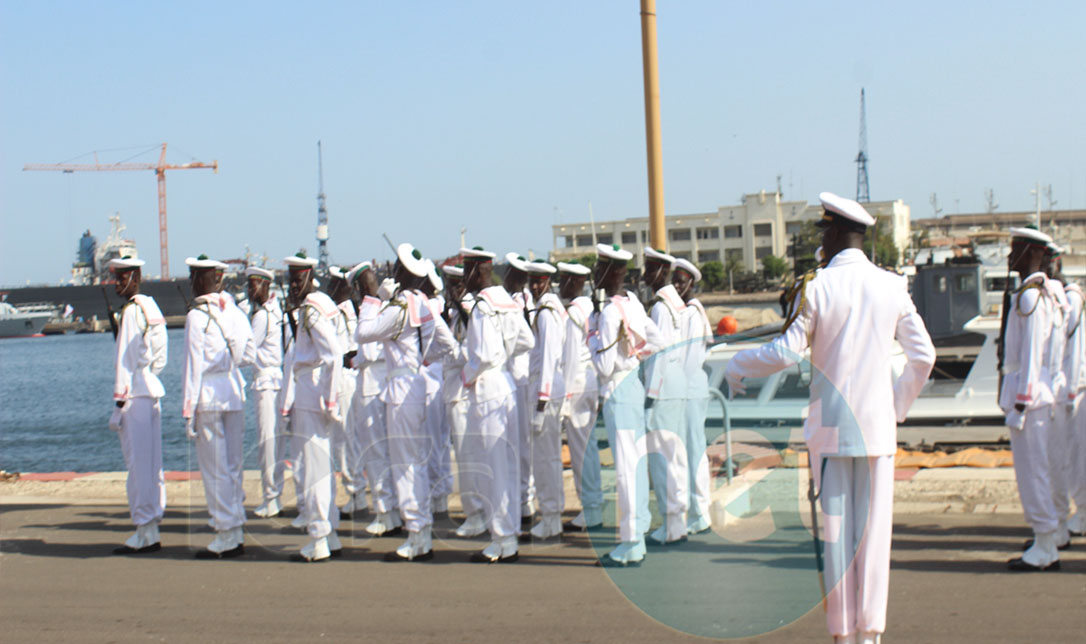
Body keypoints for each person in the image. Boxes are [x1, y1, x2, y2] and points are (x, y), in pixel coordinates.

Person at [724, 193, 935, 644]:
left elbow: (784, 353)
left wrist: (737, 364)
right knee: (875, 537)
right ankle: (871, 634)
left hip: (832, 429)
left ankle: (842, 634)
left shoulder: (817, 286)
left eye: (824, 233)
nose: (823, 242)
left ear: (835, 234)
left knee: (838, 537)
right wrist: (895, 407)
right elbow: (924, 357)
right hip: (877, 430)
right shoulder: (892, 285)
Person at [355, 243, 456, 561]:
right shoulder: (423, 304)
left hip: (401, 390)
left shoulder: (398, 308)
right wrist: (425, 359)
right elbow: (448, 344)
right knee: (417, 462)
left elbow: (363, 333)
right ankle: (420, 531)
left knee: (406, 465)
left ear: (400, 272)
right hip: (418, 385)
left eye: (394, 268)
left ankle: (417, 536)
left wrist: (374, 300)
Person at [588, 243, 660, 567]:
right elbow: (658, 341)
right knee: (636, 464)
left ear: (612, 272)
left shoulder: (607, 312)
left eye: (600, 267)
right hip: (634, 383)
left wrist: (593, 336)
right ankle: (638, 532)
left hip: (617, 386)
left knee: (626, 468)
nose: (594, 273)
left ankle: (631, 542)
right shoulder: (632, 302)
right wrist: (635, 351)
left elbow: (602, 367)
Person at [461, 246, 535, 562]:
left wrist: (468, 373)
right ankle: (508, 536)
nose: (463, 278)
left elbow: (483, 355)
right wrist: (505, 351)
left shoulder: (481, 306)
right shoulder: (506, 300)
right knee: (507, 463)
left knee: (494, 466)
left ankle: (501, 539)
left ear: (478, 271)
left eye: (466, 271)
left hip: (489, 383)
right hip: (506, 381)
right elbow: (527, 341)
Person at [999, 228, 1064, 571]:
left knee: (1033, 472)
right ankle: (1045, 540)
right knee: (1037, 470)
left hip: (1030, 398)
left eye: (1015, 250)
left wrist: (1021, 403)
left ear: (1030, 254)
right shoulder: (1040, 294)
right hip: (1037, 395)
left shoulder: (1031, 297)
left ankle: (1044, 545)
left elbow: (1032, 356)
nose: (1010, 256)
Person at [182, 255, 254, 559]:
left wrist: (188, 411)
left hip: (209, 393)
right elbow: (250, 353)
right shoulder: (234, 311)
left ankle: (225, 531)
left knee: (214, 468)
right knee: (234, 465)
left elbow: (192, 368)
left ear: (199, 280)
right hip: (233, 390)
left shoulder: (197, 316)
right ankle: (235, 525)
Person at [281, 253, 343, 562]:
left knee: (314, 468)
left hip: (311, 389)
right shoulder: (323, 304)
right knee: (322, 465)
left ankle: (319, 537)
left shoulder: (311, 310)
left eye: (297, 278)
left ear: (309, 276)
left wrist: (330, 399)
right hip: (314, 387)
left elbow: (333, 353)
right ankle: (329, 532)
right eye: (290, 278)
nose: (293, 284)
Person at [107, 256, 168, 555]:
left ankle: (144, 529)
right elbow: (160, 355)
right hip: (150, 388)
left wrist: (118, 404)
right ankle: (151, 524)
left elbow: (124, 364)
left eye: (122, 278)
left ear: (135, 277)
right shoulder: (150, 306)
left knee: (137, 465)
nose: (117, 284)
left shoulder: (132, 311)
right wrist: (150, 372)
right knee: (152, 464)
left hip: (133, 394)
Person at [346, 261, 401, 537]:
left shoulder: (370, 309)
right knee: (387, 451)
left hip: (371, 382)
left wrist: (353, 360)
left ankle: (385, 512)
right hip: (384, 379)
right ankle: (392, 508)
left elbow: (367, 352)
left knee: (376, 453)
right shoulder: (387, 305)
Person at [641, 247, 690, 546]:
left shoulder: (660, 306)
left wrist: (651, 394)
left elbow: (659, 353)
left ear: (660, 271)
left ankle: (670, 524)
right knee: (676, 455)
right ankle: (678, 521)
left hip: (663, 384)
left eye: (648, 269)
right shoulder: (678, 303)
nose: (645, 275)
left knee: (662, 457)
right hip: (678, 381)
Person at [557, 261, 603, 532]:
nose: (561, 285)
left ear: (575, 282)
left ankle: (590, 509)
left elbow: (571, 358)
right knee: (590, 448)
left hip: (577, 383)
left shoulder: (574, 311)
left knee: (581, 451)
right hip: (590, 380)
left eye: (565, 279)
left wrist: (565, 399)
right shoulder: (588, 307)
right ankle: (593, 506)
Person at [441, 264, 487, 538]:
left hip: (464, 390)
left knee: (469, 456)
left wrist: (448, 346)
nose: (450, 291)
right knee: (466, 453)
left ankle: (475, 513)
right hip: (456, 388)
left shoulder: (470, 313)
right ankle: (475, 511)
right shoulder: (458, 313)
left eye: (454, 286)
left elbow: (472, 354)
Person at [523, 259, 566, 540]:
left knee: (545, 457)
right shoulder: (545, 308)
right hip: (545, 385)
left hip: (545, 388)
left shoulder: (548, 313)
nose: (535, 285)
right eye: (532, 281)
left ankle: (551, 516)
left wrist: (541, 403)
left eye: (540, 281)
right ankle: (552, 516)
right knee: (547, 456)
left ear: (548, 282)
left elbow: (549, 359)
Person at [672, 257, 713, 536]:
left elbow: (689, 357)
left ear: (691, 284)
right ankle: (695, 509)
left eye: (681, 280)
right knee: (688, 450)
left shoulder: (692, 314)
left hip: (689, 387)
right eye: (674, 279)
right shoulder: (684, 311)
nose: (677, 284)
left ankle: (700, 512)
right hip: (686, 387)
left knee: (695, 450)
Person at [246, 266, 287, 519]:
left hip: (265, 382)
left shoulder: (261, 317)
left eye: (253, 286)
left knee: (267, 443)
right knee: (276, 443)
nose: (250, 291)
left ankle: (271, 497)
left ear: (264, 287)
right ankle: (275, 494)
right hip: (276, 380)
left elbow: (248, 350)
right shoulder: (274, 312)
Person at [327, 265, 367, 518]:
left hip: (344, 375)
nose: (328, 288)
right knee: (349, 437)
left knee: (345, 438)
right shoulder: (352, 310)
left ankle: (355, 492)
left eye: (332, 283)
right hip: (350, 375)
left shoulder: (339, 312)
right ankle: (356, 490)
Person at [504, 252, 537, 524]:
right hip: (516, 376)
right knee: (517, 442)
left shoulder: (519, 302)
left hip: (520, 375)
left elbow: (526, 340)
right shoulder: (522, 301)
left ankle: (525, 500)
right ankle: (523, 497)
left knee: (522, 443)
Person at [419, 260, 453, 515]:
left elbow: (448, 344)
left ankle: (436, 494)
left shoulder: (428, 307)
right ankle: (441, 493)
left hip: (432, 376)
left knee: (432, 441)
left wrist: (428, 357)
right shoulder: (440, 305)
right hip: (442, 376)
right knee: (441, 441)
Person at [1061, 264, 1086, 535]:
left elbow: (1076, 350)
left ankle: (1082, 512)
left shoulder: (1072, 300)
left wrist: (1070, 391)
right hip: (1076, 386)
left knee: (1077, 455)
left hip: (1078, 388)